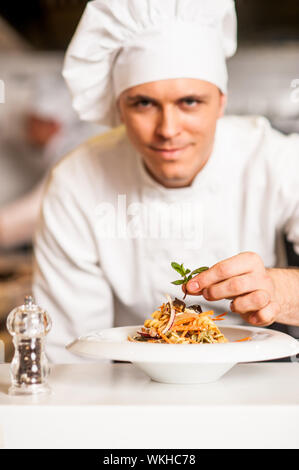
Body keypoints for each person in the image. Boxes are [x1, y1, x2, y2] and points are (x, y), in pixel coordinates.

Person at [33, 0, 299, 363]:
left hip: (262, 381)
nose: (168, 130)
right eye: (143, 103)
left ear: (221, 102)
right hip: (128, 386)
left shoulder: (276, 159)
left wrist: (280, 291)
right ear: (118, 107)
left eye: (189, 101)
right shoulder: (77, 182)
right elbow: (70, 356)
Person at [0, 76, 100, 249]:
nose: (25, 128)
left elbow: (36, 213)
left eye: (32, 121)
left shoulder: (74, 156)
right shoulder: (73, 148)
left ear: (52, 123)